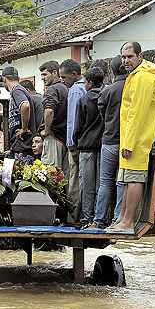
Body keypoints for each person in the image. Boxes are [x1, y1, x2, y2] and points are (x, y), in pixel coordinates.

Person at [110, 42, 155, 232]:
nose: (126, 60)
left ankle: (128, 222)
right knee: (127, 179)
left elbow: (137, 113)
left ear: (140, 55)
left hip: (137, 139)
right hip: (131, 136)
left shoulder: (143, 77)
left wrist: (129, 142)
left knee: (134, 178)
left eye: (130, 56)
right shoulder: (136, 75)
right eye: (124, 57)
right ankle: (122, 219)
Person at [93, 56, 127, 228]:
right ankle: (117, 219)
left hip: (108, 140)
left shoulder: (107, 91)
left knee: (105, 182)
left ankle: (99, 220)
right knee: (121, 182)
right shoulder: (132, 87)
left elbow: (102, 113)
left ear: (111, 71)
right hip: (127, 143)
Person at [73, 67, 105, 229]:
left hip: (86, 147)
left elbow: (78, 126)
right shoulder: (106, 96)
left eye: (85, 81)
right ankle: (100, 218)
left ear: (90, 82)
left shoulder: (84, 100)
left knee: (87, 185)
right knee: (102, 184)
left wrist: (74, 142)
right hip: (103, 146)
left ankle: (86, 218)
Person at [59, 59, 87, 223]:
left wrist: (71, 144)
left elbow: (72, 121)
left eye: (64, 77)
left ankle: (73, 217)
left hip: (75, 143)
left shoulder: (75, 90)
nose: (62, 80)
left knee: (74, 180)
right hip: (84, 142)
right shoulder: (85, 88)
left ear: (75, 74)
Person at [1, 66, 37, 156]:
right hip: (21, 145)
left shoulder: (16, 90)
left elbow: (25, 105)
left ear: (4, 79)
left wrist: (24, 129)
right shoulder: (20, 90)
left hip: (24, 144)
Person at [39, 61, 68, 168]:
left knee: (50, 175)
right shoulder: (65, 88)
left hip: (54, 137)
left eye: (45, 74)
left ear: (55, 72)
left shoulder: (52, 89)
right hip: (64, 138)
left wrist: (46, 130)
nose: (42, 78)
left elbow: (49, 110)